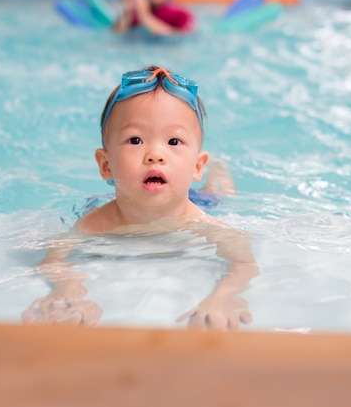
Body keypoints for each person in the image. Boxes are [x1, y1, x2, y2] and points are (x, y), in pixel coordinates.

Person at [23, 65, 259, 331]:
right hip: (110, 198)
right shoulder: (98, 222)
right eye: (135, 140)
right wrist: (68, 288)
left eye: (174, 141)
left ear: (196, 167)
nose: (155, 155)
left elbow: (244, 263)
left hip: (198, 200)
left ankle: (219, 171)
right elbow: (54, 258)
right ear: (106, 165)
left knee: (217, 195)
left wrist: (224, 296)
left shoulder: (204, 224)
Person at [113, 0, 195, 35]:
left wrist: (144, 15)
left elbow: (178, 38)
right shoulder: (135, 14)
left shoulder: (182, 14)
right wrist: (127, 5)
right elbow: (118, 34)